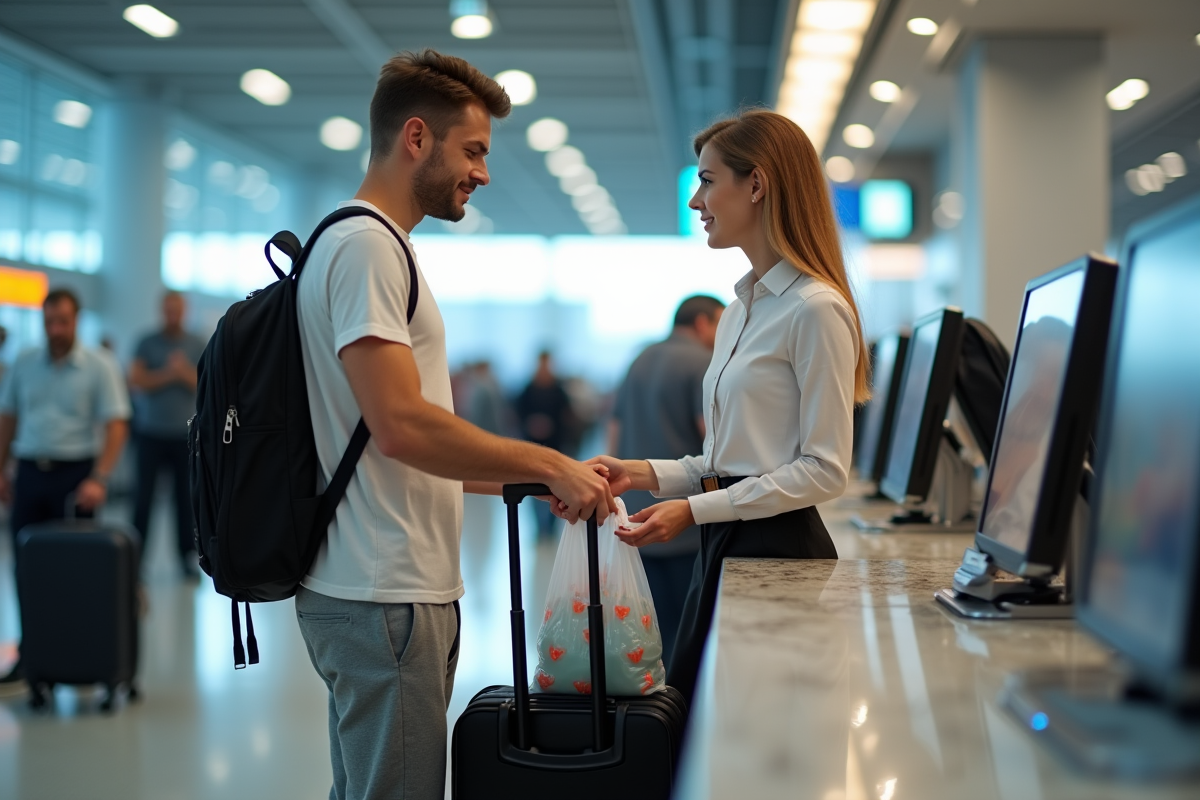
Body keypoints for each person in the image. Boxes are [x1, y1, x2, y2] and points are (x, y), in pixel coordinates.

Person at [294, 49, 614, 800]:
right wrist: (547, 460)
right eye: (473, 150)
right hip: (384, 590)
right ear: (416, 137)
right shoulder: (367, 246)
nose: (483, 172)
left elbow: (397, 443)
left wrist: (534, 479)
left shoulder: (373, 244)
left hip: (382, 588)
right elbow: (402, 426)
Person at [589, 109, 870, 704]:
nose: (696, 201)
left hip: (778, 551)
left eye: (708, 181)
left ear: (757, 184)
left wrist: (694, 511)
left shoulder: (815, 309)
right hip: (728, 539)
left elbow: (824, 470)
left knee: (752, 723)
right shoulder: (740, 310)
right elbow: (724, 460)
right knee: (697, 710)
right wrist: (637, 473)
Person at [0, 288, 131, 685]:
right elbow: (9, 418)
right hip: (29, 472)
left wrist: (99, 478)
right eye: (49, 322)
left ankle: (76, 653)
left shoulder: (99, 365)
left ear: (76, 321)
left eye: (62, 322)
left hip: (76, 477)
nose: (55, 330)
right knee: (25, 568)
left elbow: (116, 425)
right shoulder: (25, 363)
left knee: (76, 570)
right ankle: (30, 655)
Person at [608, 295, 724, 669]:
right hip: (681, 520)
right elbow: (715, 443)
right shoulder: (703, 362)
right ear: (703, 323)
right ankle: (679, 699)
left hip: (634, 515)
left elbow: (615, 431)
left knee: (649, 626)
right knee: (686, 632)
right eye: (721, 323)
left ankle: (653, 696)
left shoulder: (639, 360)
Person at [128, 291, 207, 578]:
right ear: (161, 310)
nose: (172, 315)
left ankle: (186, 558)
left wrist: (182, 371)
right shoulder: (146, 342)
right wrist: (168, 374)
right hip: (150, 433)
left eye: (177, 309)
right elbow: (137, 380)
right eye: (168, 309)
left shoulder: (197, 343)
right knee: (142, 498)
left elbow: (205, 383)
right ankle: (135, 558)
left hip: (184, 436)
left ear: (184, 311)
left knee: (185, 500)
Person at [515, 350, 575, 536]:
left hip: (554, 445)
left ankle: (550, 525)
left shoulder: (558, 389)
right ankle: (539, 527)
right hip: (532, 446)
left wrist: (552, 427)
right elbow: (518, 413)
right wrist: (531, 425)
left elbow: (567, 416)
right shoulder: (528, 388)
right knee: (534, 486)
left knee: (555, 486)